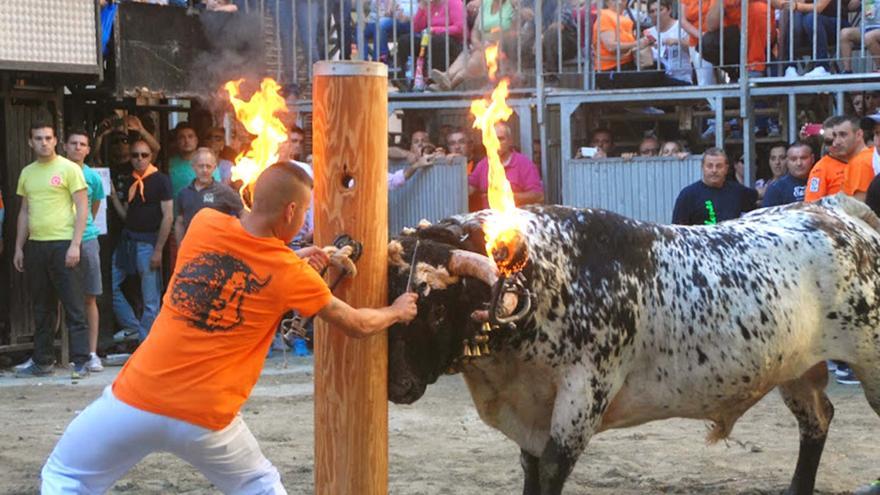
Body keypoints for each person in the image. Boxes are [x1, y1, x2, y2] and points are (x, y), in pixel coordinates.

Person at [41, 162, 419, 493]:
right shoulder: (290, 274)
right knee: (260, 488)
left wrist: (291, 258)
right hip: (206, 416)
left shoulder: (205, 224)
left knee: (63, 477)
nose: (304, 220)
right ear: (290, 211)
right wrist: (396, 311)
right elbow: (354, 323)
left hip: (136, 397)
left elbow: (241, 256)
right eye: (304, 211)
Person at [13, 123, 91, 378]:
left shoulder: (69, 169)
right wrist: (18, 247)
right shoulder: (27, 173)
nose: (44, 142)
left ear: (56, 140)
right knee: (42, 307)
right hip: (36, 245)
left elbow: (82, 207)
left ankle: (81, 361)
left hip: (63, 244)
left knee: (74, 305)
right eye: (38, 138)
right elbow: (25, 211)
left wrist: (76, 244)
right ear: (30, 142)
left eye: (48, 138)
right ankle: (43, 361)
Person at [108, 139, 174, 342]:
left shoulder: (161, 180)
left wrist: (158, 250)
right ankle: (134, 327)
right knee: (111, 285)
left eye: (144, 155)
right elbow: (126, 216)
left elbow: (168, 217)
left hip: (148, 244)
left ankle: (148, 342)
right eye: (135, 155)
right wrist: (113, 196)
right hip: (128, 241)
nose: (139, 159)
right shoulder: (131, 180)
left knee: (150, 297)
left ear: (151, 156)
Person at [64, 129, 107, 373]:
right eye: (74, 143)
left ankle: (92, 353)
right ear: (65, 146)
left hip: (88, 239)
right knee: (64, 299)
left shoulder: (93, 177)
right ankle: (68, 352)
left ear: (88, 149)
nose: (78, 147)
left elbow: (94, 206)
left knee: (90, 297)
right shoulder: (58, 172)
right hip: (60, 237)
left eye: (83, 144)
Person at [672, 148, 758, 225]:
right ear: (702, 167)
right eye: (709, 166)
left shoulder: (737, 191)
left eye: (719, 166)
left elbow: (760, 197)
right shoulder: (688, 195)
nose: (714, 170)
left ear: (726, 169)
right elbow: (677, 231)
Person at [174, 148, 243, 243]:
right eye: (201, 166)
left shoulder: (225, 191)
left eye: (208, 166)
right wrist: (180, 247)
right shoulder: (183, 193)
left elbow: (243, 214)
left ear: (215, 168)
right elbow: (179, 222)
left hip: (217, 249)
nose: (205, 170)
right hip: (191, 248)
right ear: (193, 167)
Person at [468, 123, 544, 209]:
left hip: (517, 219)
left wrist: (506, 197)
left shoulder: (524, 164)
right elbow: (467, 189)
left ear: (510, 141)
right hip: (490, 220)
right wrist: (455, 162)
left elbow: (538, 196)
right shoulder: (483, 164)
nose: (496, 143)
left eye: (501, 139)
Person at [805, 115, 875, 202]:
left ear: (859, 135)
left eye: (843, 135)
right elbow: (811, 204)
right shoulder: (822, 167)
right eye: (833, 138)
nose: (836, 142)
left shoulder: (861, 161)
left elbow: (859, 208)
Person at [781, 0, 849, 78]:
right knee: (796, 17)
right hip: (809, 29)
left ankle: (822, 66)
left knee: (811, 18)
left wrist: (796, 6)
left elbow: (819, 7)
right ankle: (790, 67)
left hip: (836, 24)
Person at [645, 0, 694, 86]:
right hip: (658, 81)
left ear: (669, 9)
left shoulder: (682, 26)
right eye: (652, 11)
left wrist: (678, 41)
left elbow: (694, 47)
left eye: (660, 9)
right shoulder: (649, 33)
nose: (656, 14)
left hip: (681, 79)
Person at [169, 123, 221, 201]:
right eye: (182, 137)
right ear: (177, 142)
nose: (186, 141)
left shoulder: (208, 162)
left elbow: (216, 191)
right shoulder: (169, 164)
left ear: (196, 140)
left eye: (190, 136)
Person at [762, 141, 815, 206]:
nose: (799, 163)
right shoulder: (776, 188)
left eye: (803, 158)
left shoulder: (823, 181)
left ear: (812, 159)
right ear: (787, 161)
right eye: (793, 159)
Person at [840, 0, 880, 74]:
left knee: (869, 37)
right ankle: (847, 70)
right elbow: (851, 7)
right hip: (866, 28)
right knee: (845, 33)